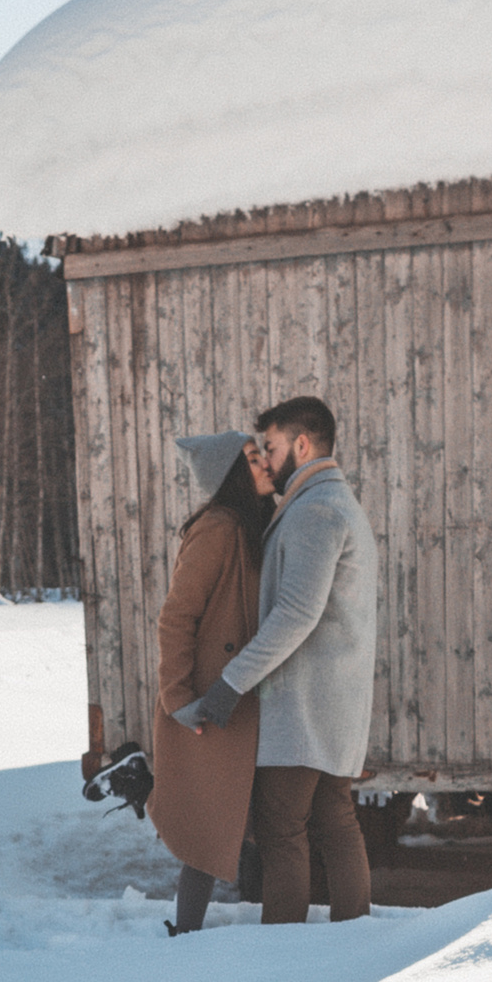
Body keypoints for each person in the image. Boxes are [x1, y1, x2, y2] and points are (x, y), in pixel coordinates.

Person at [175, 396, 378, 924]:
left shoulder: (315, 510)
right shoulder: (331, 503)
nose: (266, 458)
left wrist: (228, 685)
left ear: (302, 445)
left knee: (282, 830)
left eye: (271, 446)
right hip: (330, 706)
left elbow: (294, 614)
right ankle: (354, 936)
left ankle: (282, 951)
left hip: (303, 706)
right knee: (335, 822)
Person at [151, 432, 275, 934]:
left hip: (238, 696)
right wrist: (178, 697)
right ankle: (186, 932)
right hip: (208, 701)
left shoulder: (250, 524)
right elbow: (177, 617)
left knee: (238, 818)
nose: (264, 463)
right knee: (208, 823)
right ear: (232, 475)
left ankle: (209, 927)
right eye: (251, 459)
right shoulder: (219, 528)